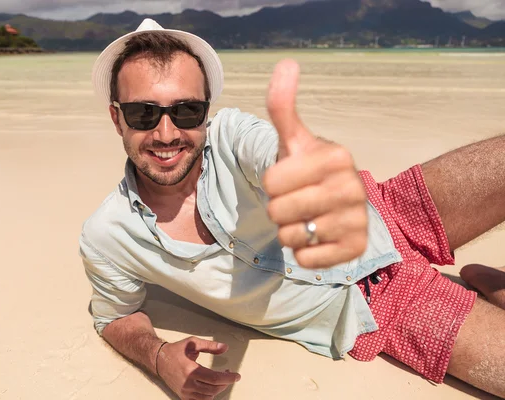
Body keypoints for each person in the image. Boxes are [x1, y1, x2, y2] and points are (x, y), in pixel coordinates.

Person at [79, 19, 505, 399]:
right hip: (374, 304)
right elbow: (116, 316)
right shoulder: (109, 234)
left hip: (380, 206)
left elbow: (276, 154)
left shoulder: (232, 136)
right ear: (117, 119)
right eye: (143, 113)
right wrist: (157, 358)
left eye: (187, 111)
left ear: (207, 113)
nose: (167, 133)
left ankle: (485, 283)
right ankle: (481, 287)